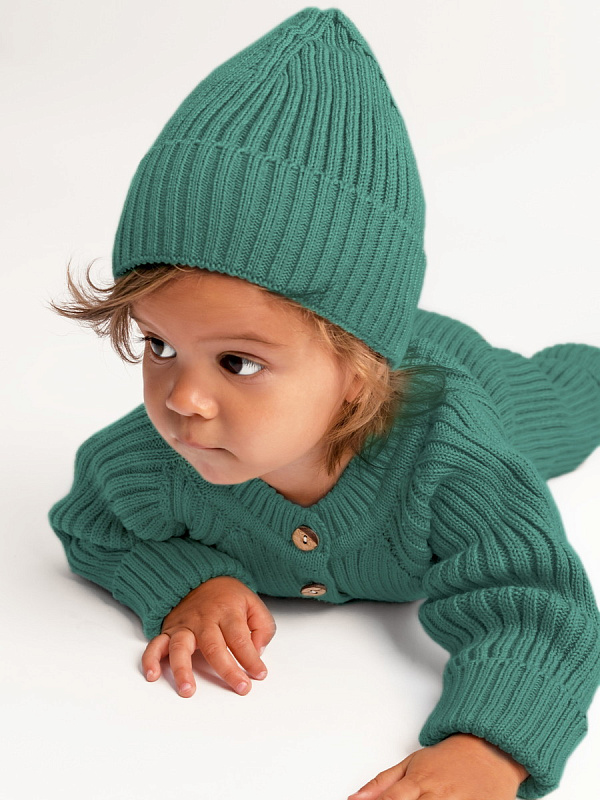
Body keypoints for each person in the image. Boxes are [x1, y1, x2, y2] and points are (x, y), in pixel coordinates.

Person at [48, 7, 600, 800]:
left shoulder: (453, 453)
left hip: (476, 378)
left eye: (237, 361)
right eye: (161, 345)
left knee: (569, 400)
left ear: (357, 371)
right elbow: (91, 522)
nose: (184, 400)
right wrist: (187, 581)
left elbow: (535, 603)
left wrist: (489, 747)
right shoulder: (154, 457)